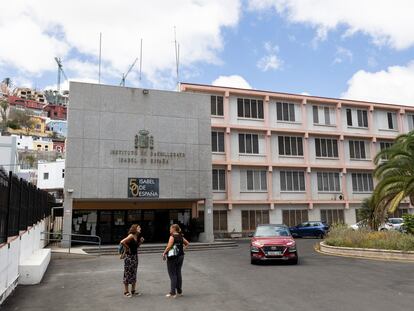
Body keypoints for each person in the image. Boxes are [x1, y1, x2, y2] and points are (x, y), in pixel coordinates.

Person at [162, 224, 189, 298]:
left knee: (172, 274)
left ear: (174, 229)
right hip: (181, 256)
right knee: (178, 273)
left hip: (172, 257)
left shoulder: (172, 236)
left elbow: (169, 246)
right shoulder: (181, 236)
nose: (169, 230)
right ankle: (179, 291)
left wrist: (164, 253)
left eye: (170, 228)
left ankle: (172, 292)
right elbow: (187, 243)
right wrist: (182, 249)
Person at [120, 224, 144, 297]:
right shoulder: (131, 236)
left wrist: (140, 242)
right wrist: (128, 248)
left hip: (135, 257)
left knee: (134, 273)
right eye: (139, 228)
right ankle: (126, 291)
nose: (140, 228)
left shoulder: (136, 237)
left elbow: (136, 247)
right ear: (135, 229)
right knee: (127, 273)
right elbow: (122, 242)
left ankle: (133, 291)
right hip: (129, 257)